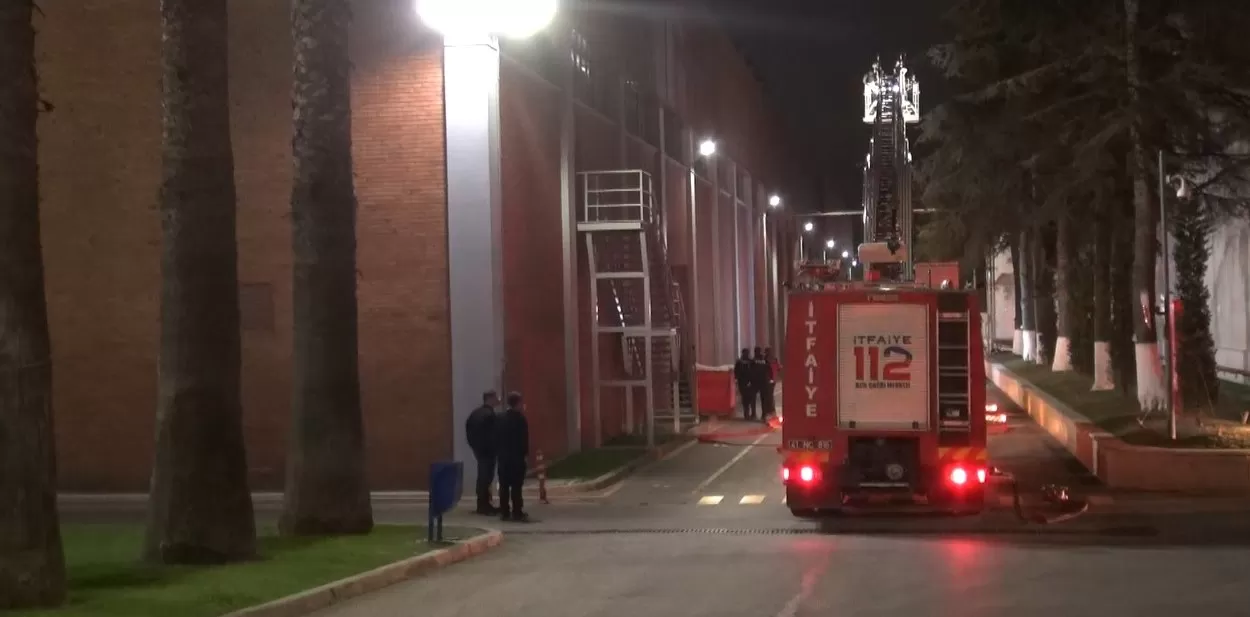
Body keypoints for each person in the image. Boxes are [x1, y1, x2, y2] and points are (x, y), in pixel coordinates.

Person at [495, 391, 531, 522]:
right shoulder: (520, 420)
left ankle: (504, 512)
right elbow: (523, 440)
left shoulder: (500, 418)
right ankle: (517, 511)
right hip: (516, 458)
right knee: (516, 486)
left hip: (503, 458)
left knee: (504, 486)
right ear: (518, 403)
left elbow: (496, 437)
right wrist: (525, 455)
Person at [465, 390, 501, 515]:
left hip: (479, 450)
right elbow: (494, 434)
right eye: (495, 398)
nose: (498, 400)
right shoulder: (489, 415)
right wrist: (495, 447)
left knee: (482, 476)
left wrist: (475, 446)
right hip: (488, 451)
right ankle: (484, 506)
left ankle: (483, 504)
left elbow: (468, 431)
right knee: (486, 477)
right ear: (489, 399)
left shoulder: (475, 414)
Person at [733, 348, 757, 420]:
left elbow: (736, 372)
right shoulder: (746, 362)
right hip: (746, 382)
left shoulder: (747, 362)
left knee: (748, 398)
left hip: (747, 382)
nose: (746, 354)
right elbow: (736, 372)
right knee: (748, 398)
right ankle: (749, 414)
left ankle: (750, 414)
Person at [751, 347, 773, 422]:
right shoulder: (764, 360)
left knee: (754, 398)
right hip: (763, 381)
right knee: (763, 399)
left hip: (756, 382)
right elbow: (769, 369)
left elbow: (750, 371)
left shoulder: (753, 360)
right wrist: (770, 378)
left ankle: (754, 414)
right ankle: (763, 414)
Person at [761, 348, 779, 419]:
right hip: (773, 380)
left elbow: (766, 370)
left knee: (767, 397)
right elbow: (778, 368)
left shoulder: (765, 360)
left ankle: (767, 413)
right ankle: (772, 412)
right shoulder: (774, 359)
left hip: (767, 380)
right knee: (770, 396)